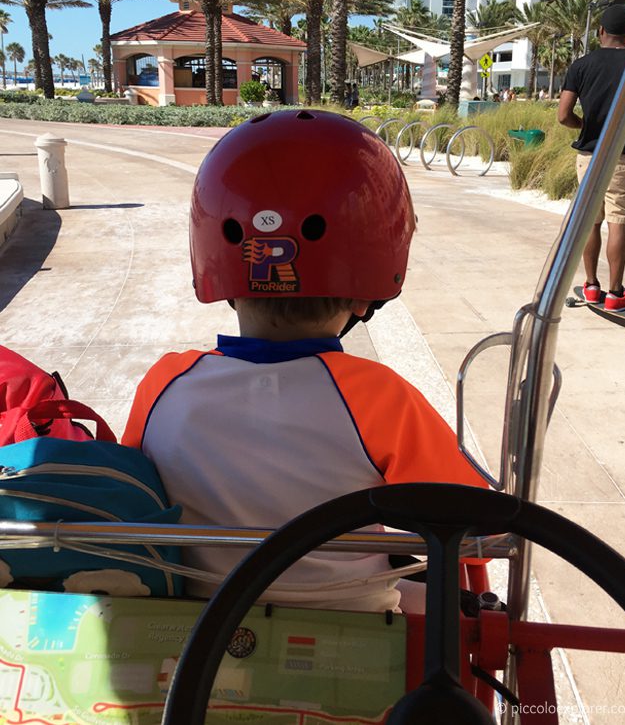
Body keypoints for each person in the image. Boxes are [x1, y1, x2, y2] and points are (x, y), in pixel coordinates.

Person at [122, 110, 486, 612]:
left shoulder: (165, 382)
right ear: (366, 296)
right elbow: (470, 520)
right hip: (352, 632)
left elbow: (137, 486)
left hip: (197, 624)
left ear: (220, 276)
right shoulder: (377, 396)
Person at [558, 4, 625, 312]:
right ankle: (615, 293)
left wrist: (584, 125)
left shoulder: (581, 66)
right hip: (622, 157)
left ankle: (592, 286)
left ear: (600, 32)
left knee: (590, 223)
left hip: (588, 155)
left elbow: (563, 116)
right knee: (617, 224)